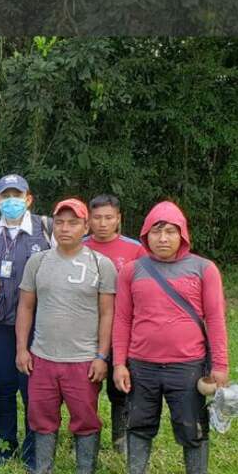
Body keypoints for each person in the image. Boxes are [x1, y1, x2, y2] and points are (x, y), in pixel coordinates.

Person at [113, 201, 229, 474]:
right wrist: (120, 363)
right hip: (141, 365)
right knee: (138, 425)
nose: (163, 238)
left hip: (188, 367)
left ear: (183, 235)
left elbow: (216, 319)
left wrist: (220, 366)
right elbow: (122, 319)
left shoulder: (204, 269)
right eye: (156, 231)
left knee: (193, 429)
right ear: (145, 235)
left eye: (170, 231)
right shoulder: (131, 272)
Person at [15, 198, 116, 474]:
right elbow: (25, 307)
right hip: (43, 357)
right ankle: (42, 473)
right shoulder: (39, 262)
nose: (65, 228)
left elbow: (108, 312)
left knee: (85, 419)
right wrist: (23, 348)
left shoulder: (101, 264)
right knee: (41, 418)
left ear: (85, 226)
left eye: (73, 222)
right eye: (59, 222)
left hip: (83, 359)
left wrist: (102, 355)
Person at [0, 174, 52, 469]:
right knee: (3, 386)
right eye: (5, 196)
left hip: (36, 325)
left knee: (33, 387)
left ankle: (33, 449)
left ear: (28, 198)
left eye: (17, 195)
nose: (11, 201)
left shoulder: (46, 229)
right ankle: (4, 446)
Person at [83, 193, 146, 454]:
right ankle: (87, 435)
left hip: (124, 331)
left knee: (121, 386)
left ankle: (121, 439)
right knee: (87, 386)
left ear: (118, 218)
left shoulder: (135, 250)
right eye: (97, 218)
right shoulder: (79, 246)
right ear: (88, 220)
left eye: (109, 218)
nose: (102, 223)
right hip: (87, 330)